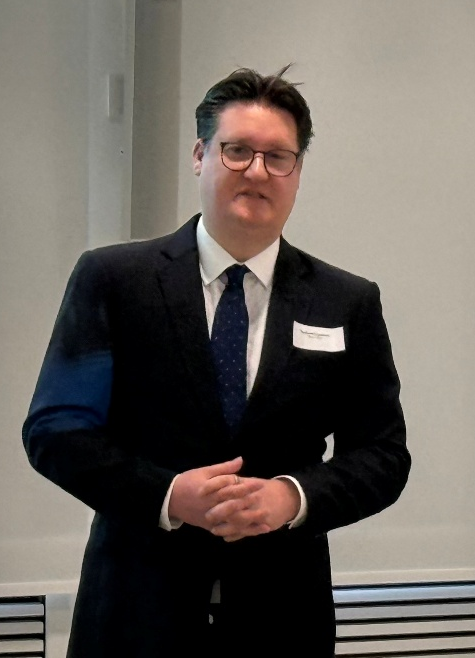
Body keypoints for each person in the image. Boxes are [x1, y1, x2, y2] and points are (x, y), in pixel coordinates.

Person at [23, 66, 410, 658]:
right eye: (237, 151)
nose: (257, 170)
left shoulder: (345, 301)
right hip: (135, 614)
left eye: (278, 157)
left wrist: (292, 497)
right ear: (201, 155)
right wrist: (168, 495)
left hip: (283, 621)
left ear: (297, 172)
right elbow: (56, 430)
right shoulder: (115, 280)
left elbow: (383, 455)